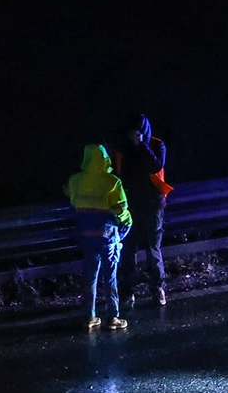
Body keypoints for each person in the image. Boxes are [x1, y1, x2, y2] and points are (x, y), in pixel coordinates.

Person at [65, 144, 132, 331]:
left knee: (90, 276)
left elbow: (73, 202)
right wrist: (127, 224)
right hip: (107, 236)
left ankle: (90, 316)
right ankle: (113, 317)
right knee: (110, 276)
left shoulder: (75, 181)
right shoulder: (112, 182)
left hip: (86, 236)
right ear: (105, 159)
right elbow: (122, 209)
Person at [114, 113, 173, 307]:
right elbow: (118, 174)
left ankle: (158, 289)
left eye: (137, 133)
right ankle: (128, 291)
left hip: (153, 205)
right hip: (130, 207)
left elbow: (156, 165)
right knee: (128, 250)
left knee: (152, 249)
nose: (133, 137)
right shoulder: (123, 149)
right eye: (131, 133)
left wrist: (142, 145)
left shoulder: (156, 145)